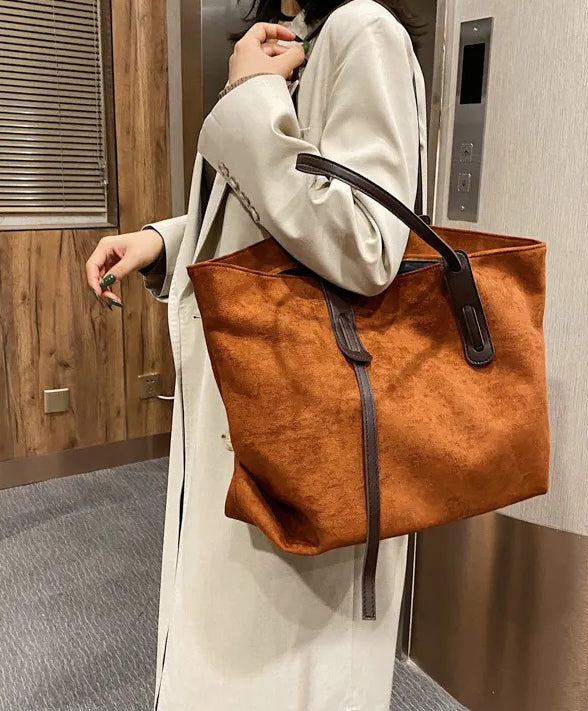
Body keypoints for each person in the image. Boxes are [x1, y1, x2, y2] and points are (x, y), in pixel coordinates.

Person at [85, 0, 428, 708]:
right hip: (263, 404)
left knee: (278, 664)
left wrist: (250, 97)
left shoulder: (362, 30)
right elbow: (277, 214)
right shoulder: (299, 39)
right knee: (232, 641)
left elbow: (366, 241)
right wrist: (166, 240)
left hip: (305, 421)